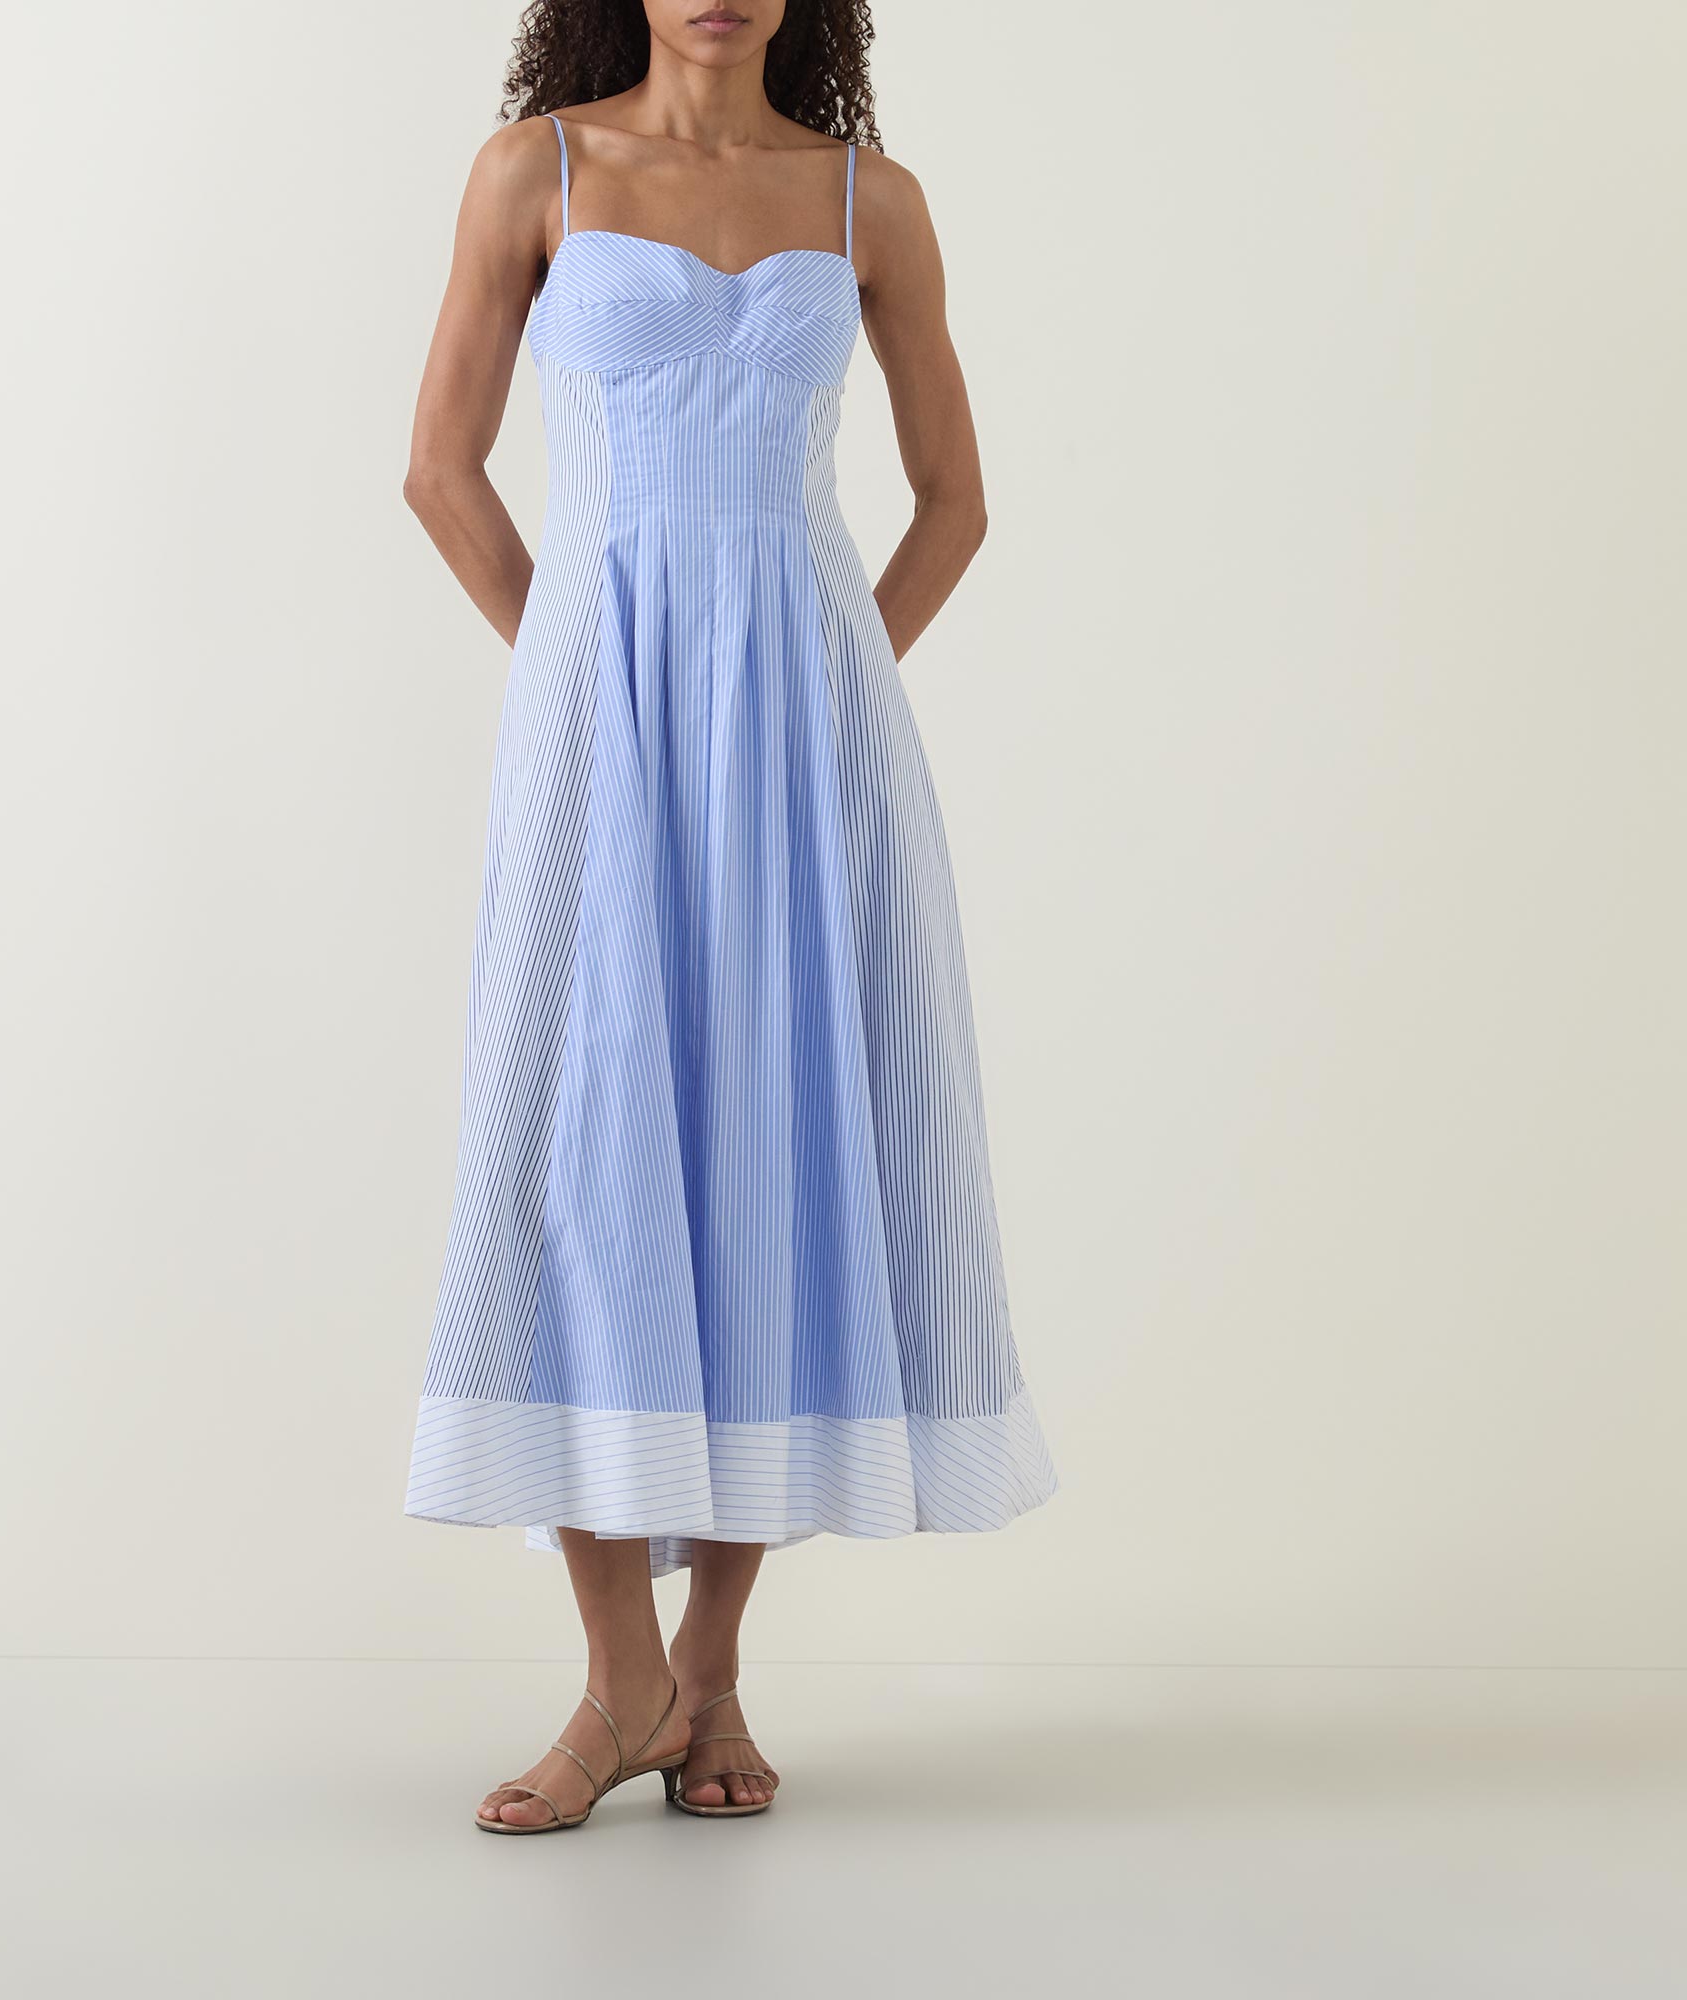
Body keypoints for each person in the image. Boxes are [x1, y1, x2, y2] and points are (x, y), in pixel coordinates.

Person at [401, 0, 1057, 1834]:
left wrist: (826, 694)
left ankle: (707, 1676)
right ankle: (615, 1674)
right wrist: (578, 670)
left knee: (775, 1158)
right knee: (581, 1157)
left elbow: (955, 503)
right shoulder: (533, 173)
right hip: (595, 733)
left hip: (805, 753)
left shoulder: (870, 202)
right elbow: (441, 468)